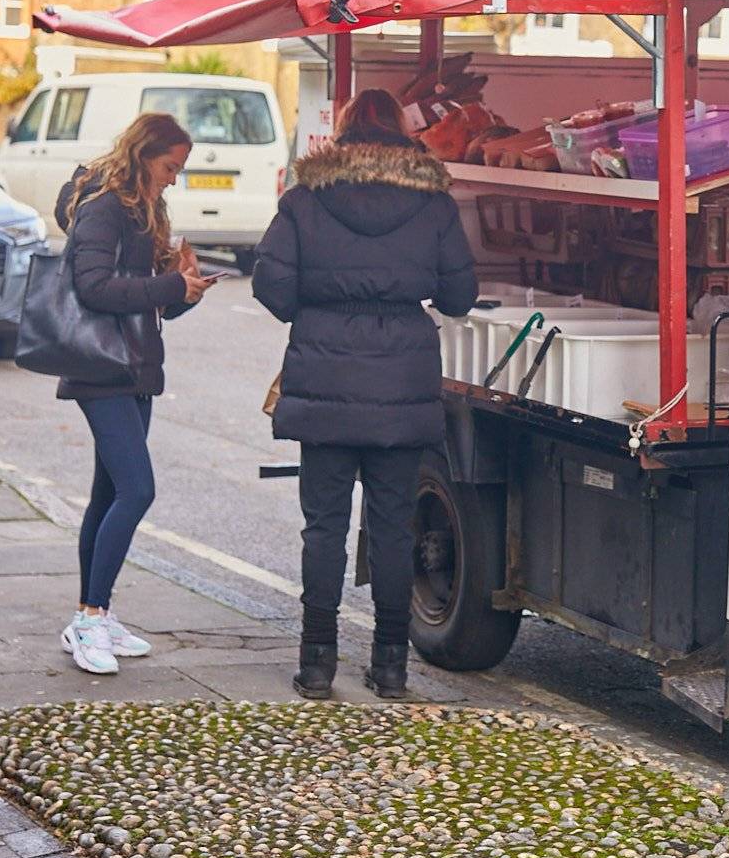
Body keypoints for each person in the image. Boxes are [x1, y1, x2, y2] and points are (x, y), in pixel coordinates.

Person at [253, 87, 478, 700]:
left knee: (322, 527)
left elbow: (270, 284)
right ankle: (390, 667)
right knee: (391, 525)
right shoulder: (433, 205)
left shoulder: (304, 200)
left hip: (324, 378)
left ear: (343, 133)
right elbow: (459, 296)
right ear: (403, 135)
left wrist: (321, 310)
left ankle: (317, 664)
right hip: (401, 381)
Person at [52, 113, 218, 676]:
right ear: (143, 154)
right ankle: (90, 621)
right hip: (101, 365)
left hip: (133, 364)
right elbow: (93, 287)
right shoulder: (104, 206)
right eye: (170, 167)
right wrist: (169, 282)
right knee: (137, 489)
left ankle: (91, 612)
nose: (175, 178)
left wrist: (185, 288)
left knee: (108, 493)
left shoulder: (146, 210)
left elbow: (153, 303)